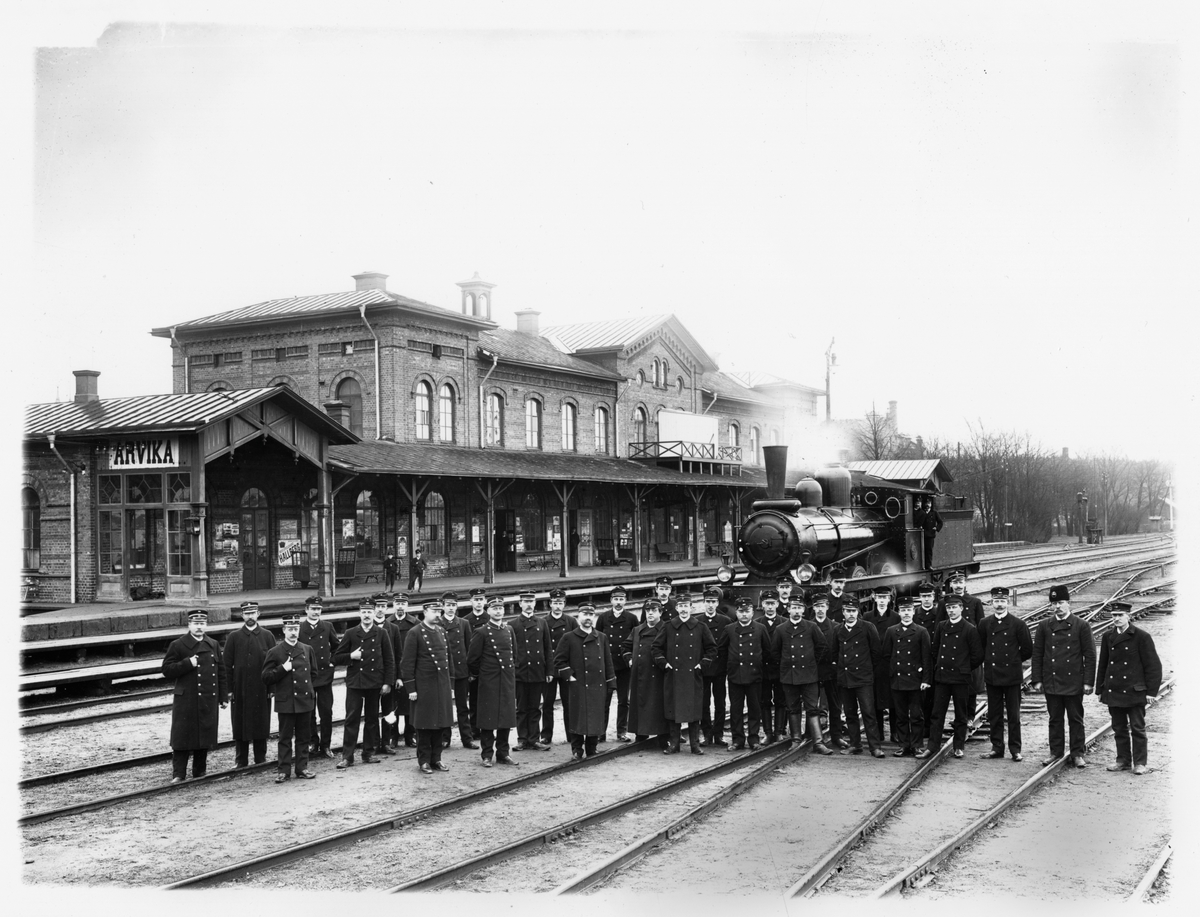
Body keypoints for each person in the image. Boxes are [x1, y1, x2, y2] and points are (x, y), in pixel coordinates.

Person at [1032, 584, 1096, 768]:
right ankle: (1056, 752)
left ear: (1069, 603)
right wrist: (1037, 679)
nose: (1057, 607)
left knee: (1076, 719)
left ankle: (1077, 753)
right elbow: (1038, 654)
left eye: (1060, 602)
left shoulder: (1081, 625)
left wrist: (1088, 682)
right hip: (1052, 681)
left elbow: (1090, 655)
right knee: (1055, 719)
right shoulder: (1044, 625)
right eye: (1054, 603)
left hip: (1073, 681)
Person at [162, 610, 228, 783]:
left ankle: (199, 772)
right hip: (187, 699)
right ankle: (179, 774)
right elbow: (166, 670)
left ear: (206, 625)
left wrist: (223, 697)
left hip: (207, 698)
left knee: (204, 734)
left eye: (202, 624)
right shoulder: (178, 645)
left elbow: (221, 672)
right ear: (189, 625)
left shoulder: (213, 644)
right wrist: (187, 663)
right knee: (182, 736)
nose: (199, 627)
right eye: (196, 624)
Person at [1097, 601, 1162, 775]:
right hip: (1114, 690)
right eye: (1114, 616)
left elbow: (1153, 666)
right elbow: (1103, 664)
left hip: (1135, 691)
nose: (1116, 619)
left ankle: (1140, 763)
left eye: (1120, 615)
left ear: (1129, 616)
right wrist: (1100, 689)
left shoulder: (1142, 636)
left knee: (1137, 728)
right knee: (1119, 728)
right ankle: (1123, 761)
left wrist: (1151, 692)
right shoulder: (1108, 636)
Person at [652, 591, 717, 754]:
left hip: (693, 675)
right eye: (680, 606)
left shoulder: (700, 626)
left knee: (694, 709)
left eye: (686, 606)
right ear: (676, 608)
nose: (683, 609)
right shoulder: (668, 626)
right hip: (673, 675)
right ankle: (674, 744)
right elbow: (656, 648)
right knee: (673, 709)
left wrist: (702, 665)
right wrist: (664, 664)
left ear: (691, 607)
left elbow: (712, 648)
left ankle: (695, 744)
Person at [333, 599, 395, 768]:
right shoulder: (351, 633)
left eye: (369, 612)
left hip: (375, 683)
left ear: (374, 613)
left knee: (372, 719)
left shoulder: (382, 633)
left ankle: (368, 753)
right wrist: (351, 656)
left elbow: (389, 660)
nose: (367, 615)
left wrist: (387, 682)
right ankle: (348, 756)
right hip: (355, 683)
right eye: (364, 612)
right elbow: (336, 658)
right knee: (351, 719)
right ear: (359, 613)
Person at [921, 594, 984, 759]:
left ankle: (958, 746)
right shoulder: (941, 626)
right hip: (942, 677)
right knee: (937, 714)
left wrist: (964, 668)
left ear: (961, 608)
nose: (951, 611)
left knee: (961, 714)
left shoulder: (970, 628)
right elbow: (935, 649)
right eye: (948, 608)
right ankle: (932, 747)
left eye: (954, 607)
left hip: (960, 678)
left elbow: (978, 655)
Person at [553, 602, 616, 760]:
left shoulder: (601, 637)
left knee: (595, 716)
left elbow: (607, 661)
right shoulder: (569, 637)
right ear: (578, 616)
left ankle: (592, 748)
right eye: (585, 614)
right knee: (577, 716)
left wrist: (611, 682)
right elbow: (559, 660)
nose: (588, 618)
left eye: (591, 615)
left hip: (597, 684)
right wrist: (570, 676)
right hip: (578, 684)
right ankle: (577, 749)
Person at [261, 612, 318, 783]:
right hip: (286, 702)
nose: (293, 632)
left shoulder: (307, 649)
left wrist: (307, 690)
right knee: (285, 738)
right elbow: (266, 677)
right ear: (283, 630)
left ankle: (302, 768)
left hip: (304, 700)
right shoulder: (275, 652)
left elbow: (313, 674)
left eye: (296, 629)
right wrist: (283, 669)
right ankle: (283, 771)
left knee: (303, 737)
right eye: (290, 629)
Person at [978, 586, 1033, 762]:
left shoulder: (1018, 624)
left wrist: (1014, 661)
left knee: (1013, 715)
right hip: (993, 675)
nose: (999, 604)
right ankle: (997, 748)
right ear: (991, 602)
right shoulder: (984, 623)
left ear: (1008, 602)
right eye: (996, 601)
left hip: (1012, 676)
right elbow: (981, 647)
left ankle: (1015, 749)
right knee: (994, 714)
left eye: (1002, 601)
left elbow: (1027, 649)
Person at [402, 601, 455, 774]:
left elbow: (449, 659)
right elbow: (407, 663)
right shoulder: (415, 632)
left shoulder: (441, 631)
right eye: (434, 611)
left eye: (439, 611)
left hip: (441, 685)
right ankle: (424, 760)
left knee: (440, 723)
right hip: (424, 686)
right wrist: (411, 688)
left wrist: (450, 684)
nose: (438, 614)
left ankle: (436, 759)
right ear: (425, 612)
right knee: (424, 725)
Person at [773, 596, 831, 752]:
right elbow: (775, 652)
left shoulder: (811, 627)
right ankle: (796, 740)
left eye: (799, 608)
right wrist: (786, 665)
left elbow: (822, 647)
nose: (797, 611)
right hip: (789, 675)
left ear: (804, 610)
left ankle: (818, 742)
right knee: (792, 708)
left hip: (809, 675)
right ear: (789, 610)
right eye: (794, 608)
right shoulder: (781, 629)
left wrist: (812, 663)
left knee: (812, 708)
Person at [223, 600, 276, 768]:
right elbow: (226, 666)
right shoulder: (234, 637)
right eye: (247, 613)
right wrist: (229, 690)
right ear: (242, 615)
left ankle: (260, 758)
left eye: (253, 613)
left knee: (261, 722)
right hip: (240, 688)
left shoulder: (267, 636)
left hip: (262, 688)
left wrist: (272, 688)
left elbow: (274, 664)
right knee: (240, 723)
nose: (250, 616)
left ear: (258, 614)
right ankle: (241, 760)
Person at [467, 596, 519, 767]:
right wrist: (484, 674)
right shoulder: (481, 632)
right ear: (488, 611)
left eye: (500, 608)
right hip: (489, 682)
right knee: (488, 720)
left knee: (506, 718)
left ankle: (503, 754)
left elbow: (514, 655)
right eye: (494, 609)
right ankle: (487, 755)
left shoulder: (509, 630)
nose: (498, 611)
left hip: (506, 681)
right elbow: (472, 659)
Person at [830, 601, 885, 758]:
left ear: (858, 612)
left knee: (868, 712)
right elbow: (834, 653)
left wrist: (866, 670)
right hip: (846, 678)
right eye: (848, 611)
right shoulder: (837, 630)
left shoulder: (867, 627)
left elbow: (876, 653)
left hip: (863, 678)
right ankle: (855, 745)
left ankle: (875, 747)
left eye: (853, 611)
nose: (851, 614)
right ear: (843, 612)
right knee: (850, 713)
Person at [880, 597, 932, 757]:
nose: (906, 613)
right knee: (901, 715)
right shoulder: (891, 631)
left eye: (909, 610)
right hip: (898, 680)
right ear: (899, 613)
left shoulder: (921, 631)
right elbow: (886, 655)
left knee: (916, 715)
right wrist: (891, 675)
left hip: (915, 680)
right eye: (903, 610)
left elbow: (927, 658)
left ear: (913, 612)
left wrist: (925, 680)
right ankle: (903, 745)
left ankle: (916, 745)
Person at [720, 598, 772, 750]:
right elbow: (722, 651)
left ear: (752, 612)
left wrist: (759, 667)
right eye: (741, 611)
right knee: (736, 709)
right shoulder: (729, 629)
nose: (744, 614)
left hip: (754, 675)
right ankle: (737, 740)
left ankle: (754, 739)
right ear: (736, 613)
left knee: (754, 708)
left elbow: (767, 651)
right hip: (735, 675)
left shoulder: (760, 628)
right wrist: (729, 667)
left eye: (747, 611)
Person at [940, 571, 986, 725]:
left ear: (965, 583)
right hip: (950, 649)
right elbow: (939, 625)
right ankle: (959, 717)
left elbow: (981, 626)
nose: (958, 585)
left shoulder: (975, 602)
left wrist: (979, 649)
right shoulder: (944, 603)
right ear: (951, 584)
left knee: (970, 683)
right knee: (953, 685)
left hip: (969, 647)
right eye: (955, 582)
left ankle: (970, 716)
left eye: (961, 582)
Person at [298, 595, 339, 759]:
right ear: (306, 610)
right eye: (313, 609)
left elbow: (337, 648)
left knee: (326, 712)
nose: (316, 612)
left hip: (324, 676)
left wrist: (332, 662)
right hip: (307, 676)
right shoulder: (300, 628)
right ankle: (312, 742)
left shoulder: (327, 627)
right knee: (309, 712)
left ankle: (326, 745)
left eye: (319, 609)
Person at [511, 590, 552, 751]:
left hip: (537, 671)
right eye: (525, 601)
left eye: (531, 601)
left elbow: (547, 648)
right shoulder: (513, 624)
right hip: (520, 672)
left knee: (535, 708)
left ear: (535, 603)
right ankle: (522, 739)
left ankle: (534, 739)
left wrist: (549, 671)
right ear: (520, 604)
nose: (529, 605)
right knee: (521, 708)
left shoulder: (542, 623)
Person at [597, 584, 638, 742]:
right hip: (608, 666)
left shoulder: (631, 618)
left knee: (623, 700)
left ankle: (621, 731)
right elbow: (597, 640)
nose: (618, 602)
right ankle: (600, 732)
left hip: (624, 666)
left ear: (625, 601)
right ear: (611, 600)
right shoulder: (603, 618)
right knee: (604, 700)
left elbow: (636, 641)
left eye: (621, 599)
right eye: (616, 599)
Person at [436, 591, 477, 749]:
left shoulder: (464, 623)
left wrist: (470, 672)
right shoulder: (437, 623)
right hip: (444, 672)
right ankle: (445, 738)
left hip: (461, 671)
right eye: (448, 605)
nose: (451, 608)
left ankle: (467, 738)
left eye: (453, 605)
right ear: (442, 606)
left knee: (462, 706)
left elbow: (469, 648)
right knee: (444, 706)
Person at [625, 599, 668, 749]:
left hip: (659, 674)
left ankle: (663, 736)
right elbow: (626, 646)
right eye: (648, 610)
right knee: (640, 702)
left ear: (660, 613)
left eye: (654, 610)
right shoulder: (637, 630)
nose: (650, 613)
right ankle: (641, 733)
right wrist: (630, 659)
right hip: (640, 673)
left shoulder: (666, 628)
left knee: (659, 704)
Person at [861, 586, 900, 745]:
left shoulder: (896, 617)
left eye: (885, 598)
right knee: (875, 698)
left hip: (891, 663)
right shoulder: (867, 617)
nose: (882, 601)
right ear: (874, 598)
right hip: (874, 664)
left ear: (889, 599)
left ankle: (895, 732)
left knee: (894, 698)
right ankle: (879, 732)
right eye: (879, 597)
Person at [809, 591, 847, 748]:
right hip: (812, 672)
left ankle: (836, 736)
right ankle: (810, 735)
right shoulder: (808, 626)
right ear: (813, 608)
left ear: (827, 607)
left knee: (835, 706)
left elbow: (840, 650)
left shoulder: (836, 627)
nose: (820, 609)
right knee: (811, 705)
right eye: (817, 606)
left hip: (831, 672)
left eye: (822, 606)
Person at [542, 588, 577, 744]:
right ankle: (546, 735)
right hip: (549, 668)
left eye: (560, 603)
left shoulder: (571, 622)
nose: (558, 606)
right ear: (550, 604)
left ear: (564, 604)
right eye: (555, 603)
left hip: (565, 667)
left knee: (568, 703)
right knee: (547, 703)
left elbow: (576, 644)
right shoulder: (543, 622)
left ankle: (571, 734)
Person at [698, 586, 732, 747]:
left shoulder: (726, 621)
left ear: (717, 603)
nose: (710, 605)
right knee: (703, 703)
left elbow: (728, 645)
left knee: (720, 702)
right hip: (703, 668)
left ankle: (718, 734)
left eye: (713, 602)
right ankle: (706, 733)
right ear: (703, 603)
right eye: (708, 601)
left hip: (719, 668)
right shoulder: (698, 621)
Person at [755, 588, 786, 744]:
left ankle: (779, 732)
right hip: (764, 670)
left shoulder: (784, 623)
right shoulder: (757, 624)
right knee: (764, 701)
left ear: (777, 604)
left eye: (772, 603)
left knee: (781, 700)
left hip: (780, 669)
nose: (770, 607)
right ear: (762, 605)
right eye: (767, 603)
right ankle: (767, 733)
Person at [372, 595, 401, 757]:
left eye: (383, 607)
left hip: (388, 676)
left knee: (388, 711)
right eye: (377, 606)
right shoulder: (367, 626)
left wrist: (397, 677)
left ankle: (386, 742)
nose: (380, 610)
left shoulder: (393, 628)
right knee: (372, 711)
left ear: (387, 608)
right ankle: (374, 742)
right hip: (372, 676)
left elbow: (398, 654)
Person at [391, 593, 421, 747]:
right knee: (393, 705)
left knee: (411, 703)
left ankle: (410, 735)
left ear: (407, 605)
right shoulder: (388, 624)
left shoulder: (415, 623)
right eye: (398, 603)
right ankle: (393, 736)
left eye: (403, 603)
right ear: (393, 605)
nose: (400, 606)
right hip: (393, 669)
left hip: (411, 669)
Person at [913, 496, 944, 570]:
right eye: (926, 503)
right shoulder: (922, 512)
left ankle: (928, 565)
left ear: (931, 504)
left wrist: (936, 528)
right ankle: (922, 565)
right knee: (922, 550)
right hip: (922, 534)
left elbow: (940, 522)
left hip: (930, 535)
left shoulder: (934, 513)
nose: (927, 505)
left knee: (929, 551)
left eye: (929, 503)